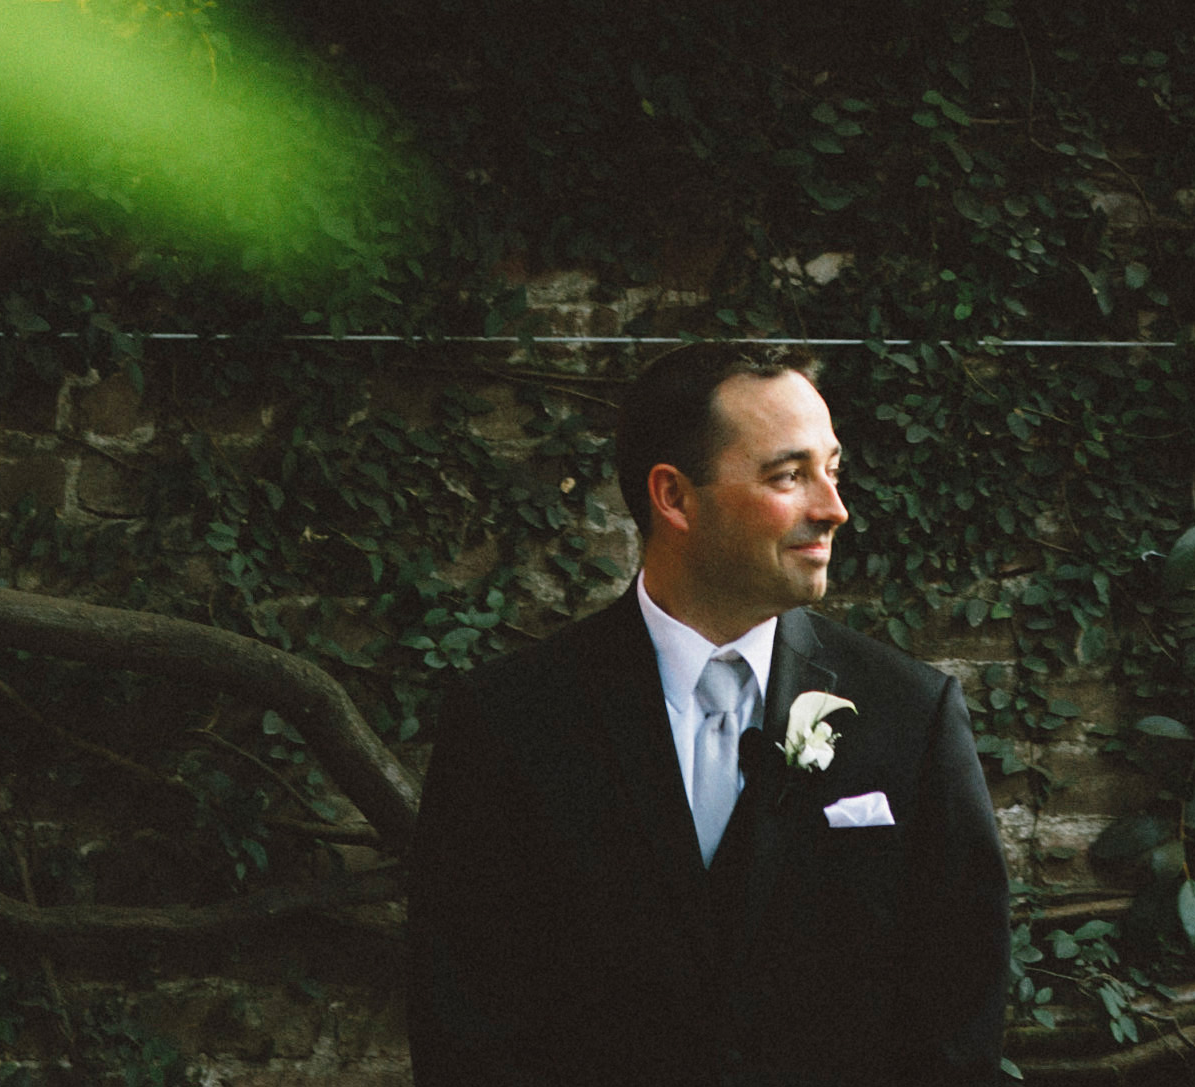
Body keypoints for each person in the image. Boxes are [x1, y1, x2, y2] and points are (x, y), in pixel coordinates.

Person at [406, 342, 1008, 1085]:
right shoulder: (509, 720)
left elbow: (958, 1018)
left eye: (833, 468)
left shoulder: (910, 715)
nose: (834, 508)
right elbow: (464, 1025)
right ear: (674, 496)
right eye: (789, 475)